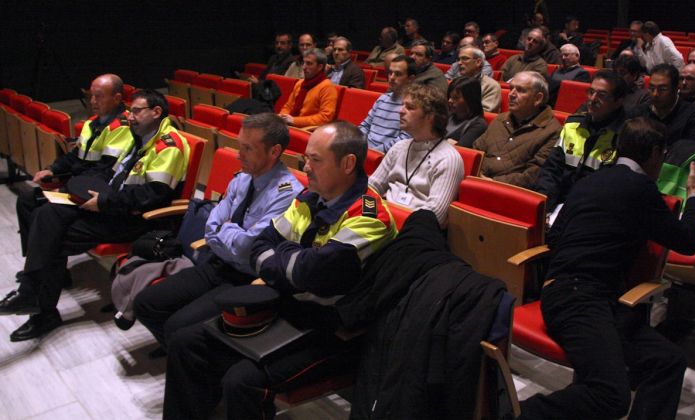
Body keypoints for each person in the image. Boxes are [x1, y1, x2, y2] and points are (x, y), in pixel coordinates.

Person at [163, 121, 397, 420]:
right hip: (284, 304)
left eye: (315, 160)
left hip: (330, 329)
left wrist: (288, 259)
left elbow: (312, 274)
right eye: (306, 158)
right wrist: (296, 261)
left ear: (348, 163)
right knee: (186, 343)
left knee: (242, 380)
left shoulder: (370, 216)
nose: (305, 167)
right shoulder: (308, 199)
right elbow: (260, 248)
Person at [519, 116, 695, 420]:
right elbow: (687, 241)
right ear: (657, 153)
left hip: (575, 294)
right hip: (579, 299)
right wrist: (694, 194)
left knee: (668, 360)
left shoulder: (587, 182)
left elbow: (554, 236)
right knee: (610, 395)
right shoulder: (642, 189)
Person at [0, 89, 190, 342]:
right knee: (46, 214)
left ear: (156, 112)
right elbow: (112, 173)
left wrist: (104, 201)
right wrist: (81, 188)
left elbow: (153, 195)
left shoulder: (168, 145)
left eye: (136, 111)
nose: (130, 116)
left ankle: (37, 303)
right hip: (112, 207)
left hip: (135, 219)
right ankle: (34, 295)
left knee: (51, 234)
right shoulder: (140, 136)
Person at [134, 113, 303, 348]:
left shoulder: (287, 194)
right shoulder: (242, 178)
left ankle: (188, 358)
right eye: (239, 146)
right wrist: (231, 234)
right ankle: (180, 354)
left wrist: (227, 230)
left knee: (177, 326)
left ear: (274, 151)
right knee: (145, 303)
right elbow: (211, 229)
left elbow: (246, 248)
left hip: (246, 278)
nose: (238, 154)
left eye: (247, 148)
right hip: (216, 263)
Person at [16, 74, 133, 256]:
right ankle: (35, 261)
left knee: (45, 212)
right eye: (91, 96)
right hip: (77, 184)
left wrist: (66, 190)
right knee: (26, 199)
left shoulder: (122, 127)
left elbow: (104, 170)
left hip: (92, 191)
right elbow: (74, 157)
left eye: (99, 96)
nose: (93, 101)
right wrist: (52, 169)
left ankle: (43, 269)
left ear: (117, 98)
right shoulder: (92, 123)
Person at [369, 83, 463, 227]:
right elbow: (371, 187)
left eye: (410, 107)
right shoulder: (399, 147)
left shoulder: (448, 159)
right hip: (380, 223)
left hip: (413, 233)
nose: (401, 111)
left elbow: (435, 214)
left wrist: (390, 222)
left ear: (430, 117)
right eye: (402, 105)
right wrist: (368, 216)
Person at [535, 70, 627, 213]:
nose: (593, 99)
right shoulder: (572, 124)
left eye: (602, 95)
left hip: (591, 212)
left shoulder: (624, 136)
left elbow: (609, 190)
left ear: (618, 102)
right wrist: (545, 208)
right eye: (591, 92)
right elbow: (551, 170)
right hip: (557, 206)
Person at [473, 71, 559, 188]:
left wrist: (493, 182)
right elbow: (477, 149)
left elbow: (533, 175)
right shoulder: (500, 119)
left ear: (538, 98)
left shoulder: (552, 131)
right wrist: (476, 174)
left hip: (507, 192)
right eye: (511, 88)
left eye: (521, 90)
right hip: (475, 181)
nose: (511, 94)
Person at [628, 64, 695, 146]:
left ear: (676, 88)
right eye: (651, 88)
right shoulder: (637, 114)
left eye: (663, 89)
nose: (655, 94)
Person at [359, 55, 416, 152]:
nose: (392, 78)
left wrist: (372, 152)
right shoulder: (382, 98)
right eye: (390, 73)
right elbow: (365, 126)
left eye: (398, 74)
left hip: (385, 157)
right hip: (366, 151)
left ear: (411, 79)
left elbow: (403, 141)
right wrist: (359, 145)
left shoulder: (413, 106)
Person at [278, 49, 338, 128]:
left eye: (309, 64)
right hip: (291, 126)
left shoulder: (327, 87)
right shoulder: (300, 83)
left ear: (320, 67)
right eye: (304, 63)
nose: (304, 67)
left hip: (308, 130)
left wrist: (294, 121)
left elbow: (325, 118)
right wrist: (283, 116)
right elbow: (288, 106)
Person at [445, 76, 488, 147]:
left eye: (456, 98)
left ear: (470, 100)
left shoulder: (478, 125)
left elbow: (462, 151)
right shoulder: (447, 115)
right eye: (450, 97)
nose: (450, 101)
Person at [457, 46, 501, 112]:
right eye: (458, 59)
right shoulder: (456, 82)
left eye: (465, 59)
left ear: (478, 62)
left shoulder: (491, 86)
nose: (459, 63)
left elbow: (485, 112)